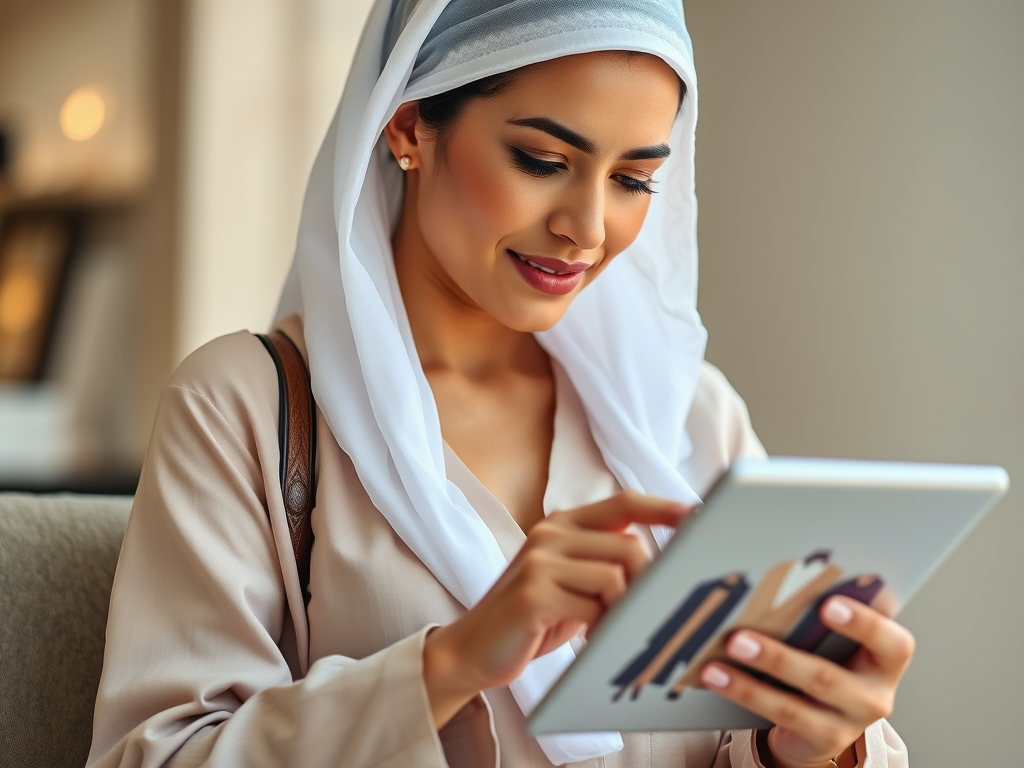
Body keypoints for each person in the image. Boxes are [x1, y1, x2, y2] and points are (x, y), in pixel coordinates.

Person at [87, 1, 915, 766]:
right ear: (408, 125)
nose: (587, 229)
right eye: (543, 159)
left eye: (633, 180)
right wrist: (452, 660)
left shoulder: (689, 421)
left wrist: (806, 747)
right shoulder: (242, 410)